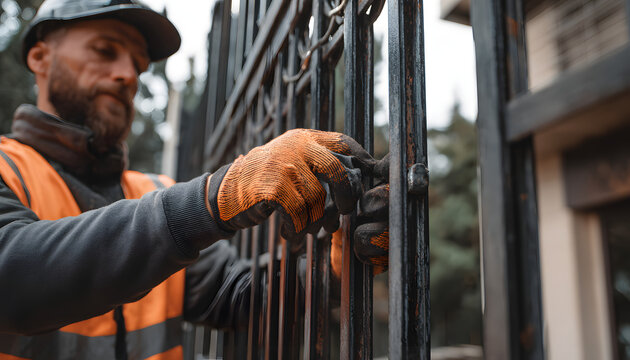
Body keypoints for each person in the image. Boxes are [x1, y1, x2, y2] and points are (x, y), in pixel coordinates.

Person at [0, 0, 390, 358]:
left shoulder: (152, 191)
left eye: (138, 65)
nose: (127, 75)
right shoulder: (6, 167)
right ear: (40, 57)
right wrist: (210, 201)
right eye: (105, 51)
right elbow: (13, 280)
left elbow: (237, 298)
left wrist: (331, 272)